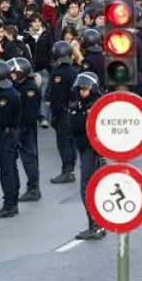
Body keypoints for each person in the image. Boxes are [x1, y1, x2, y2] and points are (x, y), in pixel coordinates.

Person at [69, 72, 105, 241]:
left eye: (85, 88)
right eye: (80, 89)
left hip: (92, 151)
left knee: (88, 189)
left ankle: (95, 226)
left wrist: (80, 114)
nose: (82, 91)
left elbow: (82, 126)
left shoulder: (97, 105)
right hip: (84, 149)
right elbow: (73, 126)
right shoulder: (79, 105)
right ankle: (97, 224)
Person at [0, 61, 21, 219]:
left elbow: (1, 120)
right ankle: (13, 199)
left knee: (6, 169)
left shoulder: (4, 96)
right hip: (12, 134)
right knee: (12, 167)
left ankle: (9, 202)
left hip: (6, 135)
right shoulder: (12, 90)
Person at [10, 57, 41, 203]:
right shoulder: (20, 86)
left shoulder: (29, 89)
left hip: (26, 130)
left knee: (29, 159)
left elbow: (29, 114)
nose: (11, 75)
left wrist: (21, 131)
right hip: (21, 128)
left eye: (14, 72)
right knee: (28, 158)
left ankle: (33, 189)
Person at [46, 42, 78, 183]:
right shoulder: (73, 70)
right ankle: (70, 169)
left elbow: (57, 96)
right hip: (72, 111)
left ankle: (67, 171)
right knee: (70, 141)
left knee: (63, 142)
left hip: (63, 112)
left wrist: (54, 114)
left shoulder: (59, 72)